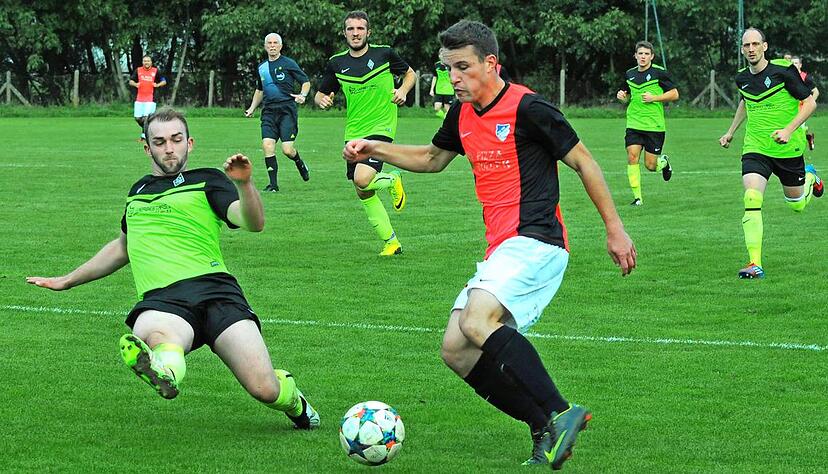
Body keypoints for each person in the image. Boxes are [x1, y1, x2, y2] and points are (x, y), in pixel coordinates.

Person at [343, 20, 636, 468]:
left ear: (491, 63)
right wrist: (376, 150)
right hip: (503, 247)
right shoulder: (461, 114)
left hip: (537, 240)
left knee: (478, 320)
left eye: (462, 67)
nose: (453, 78)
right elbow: (432, 158)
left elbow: (585, 162)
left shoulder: (529, 108)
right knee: (455, 350)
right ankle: (543, 427)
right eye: (447, 69)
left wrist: (614, 230)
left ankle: (561, 412)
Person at [26, 108, 320, 429]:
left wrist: (246, 185)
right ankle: (163, 372)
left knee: (264, 389)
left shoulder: (207, 180)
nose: (169, 148)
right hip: (164, 300)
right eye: (160, 141)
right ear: (147, 147)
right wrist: (67, 281)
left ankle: (295, 401)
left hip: (217, 293)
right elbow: (123, 246)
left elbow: (252, 221)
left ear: (189, 143)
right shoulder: (137, 193)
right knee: (155, 333)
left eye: (177, 140)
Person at [719, 28, 823, 279]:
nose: (751, 49)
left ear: (764, 46)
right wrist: (731, 131)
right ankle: (755, 263)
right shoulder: (741, 78)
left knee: (796, 205)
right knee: (751, 199)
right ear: (742, 49)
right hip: (756, 147)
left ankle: (810, 178)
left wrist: (788, 130)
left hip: (788, 147)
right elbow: (745, 101)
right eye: (747, 45)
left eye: (756, 44)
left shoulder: (783, 70)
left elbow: (810, 102)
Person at [315, 10, 416, 256]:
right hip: (354, 130)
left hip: (381, 127)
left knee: (362, 178)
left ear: (368, 32)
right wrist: (320, 100)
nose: (355, 33)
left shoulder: (384, 53)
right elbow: (321, 92)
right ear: (344, 33)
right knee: (362, 189)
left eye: (360, 29)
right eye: (351, 29)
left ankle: (392, 179)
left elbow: (410, 74)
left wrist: (402, 90)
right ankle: (391, 242)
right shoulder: (336, 63)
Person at [245, 33, 311, 192]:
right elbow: (259, 90)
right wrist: (252, 108)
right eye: (269, 43)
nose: (272, 45)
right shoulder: (262, 67)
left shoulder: (288, 63)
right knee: (267, 146)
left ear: (280, 46)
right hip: (268, 112)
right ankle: (273, 185)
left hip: (287, 111)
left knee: (287, 150)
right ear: (265, 46)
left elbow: (305, 82)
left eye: (275, 43)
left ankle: (299, 162)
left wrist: (302, 95)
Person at [616, 41, 679, 206]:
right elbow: (627, 95)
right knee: (632, 157)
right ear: (635, 56)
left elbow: (674, 94)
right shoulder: (630, 74)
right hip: (634, 123)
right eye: (640, 54)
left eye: (646, 54)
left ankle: (663, 163)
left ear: (651, 56)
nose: (643, 57)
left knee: (650, 165)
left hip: (654, 126)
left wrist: (654, 98)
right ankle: (638, 198)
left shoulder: (659, 73)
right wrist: (623, 97)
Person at [129, 55, 166, 141]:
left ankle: (144, 136)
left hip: (150, 98)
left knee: (146, 118)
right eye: (145, 61)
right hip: (139, 98)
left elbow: (164, 81)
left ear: (151, 62)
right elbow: (131, 81)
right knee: (137, 118)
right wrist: (135, 84)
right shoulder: (138, 70)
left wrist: (157, 84)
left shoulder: (155, 71)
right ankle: (152, 128)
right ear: (143, 62)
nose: (146, 62)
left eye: (148, 61)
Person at [791, 55, 819, 150]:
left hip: (802, 109)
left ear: (800, 65)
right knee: (794, 128)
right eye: (792, 63)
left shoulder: (806, 78)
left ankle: (799, 149)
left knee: (798, 129)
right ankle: (808, 137)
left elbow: (816, 92)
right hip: (790, 108)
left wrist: (809, 105)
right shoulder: (788, 77)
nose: (794, 65)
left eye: (796, 63)